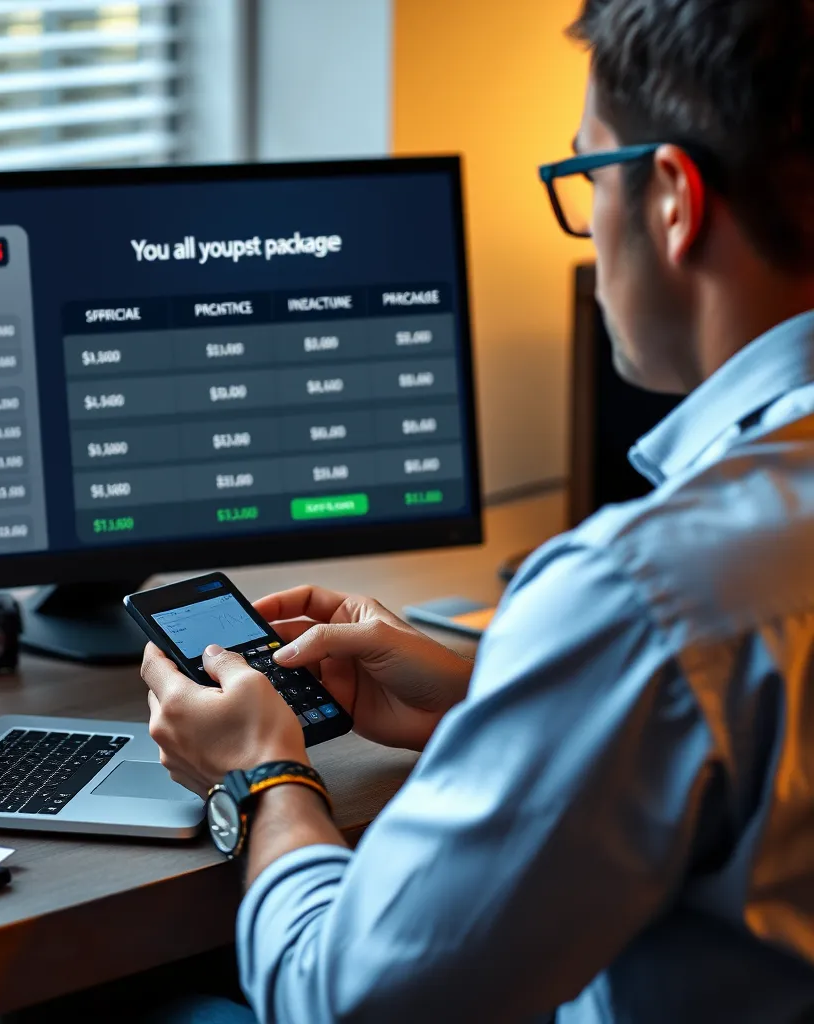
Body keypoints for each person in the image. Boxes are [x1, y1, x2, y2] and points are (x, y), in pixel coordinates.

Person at [141, 0, 814, 1020]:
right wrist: (492, 689)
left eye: (587, 175)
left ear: (671, 199)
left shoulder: (644, 593)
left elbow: (343, 1001)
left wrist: (261, 775)